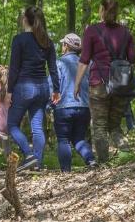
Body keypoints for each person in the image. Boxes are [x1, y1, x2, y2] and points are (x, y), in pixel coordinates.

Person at [74, 0, 135, 162]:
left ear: (101, 10)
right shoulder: (126, 32)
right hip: (121, 84)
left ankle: (103, 163)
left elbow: (84, 60)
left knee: (100, 126)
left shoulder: (92, 31)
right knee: (115, 126)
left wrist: (77, 84)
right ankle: (126, 157)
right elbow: (132, 61)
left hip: (98, 83)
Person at [6, 6, 60, 171]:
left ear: (26, 20)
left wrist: (9, 91)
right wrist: (56, 89)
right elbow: (52, 68)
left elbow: (14, 68)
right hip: (42, 87)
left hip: (24, 87)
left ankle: (29, 155)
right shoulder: (47, 42)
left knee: (12, 125)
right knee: (37, 127)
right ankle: (37, 162)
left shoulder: (19, 39)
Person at [51, 33, 97, 171]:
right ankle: (91, 161)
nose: (61, 46)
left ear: (66, 46)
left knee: (63, 139)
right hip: (83, 107)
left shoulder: (59, 63)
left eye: (63, 44)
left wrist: (49, 105)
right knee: (79, 139)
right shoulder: (87, 64)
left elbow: (53, 86)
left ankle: (66, 171)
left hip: (64, 107)